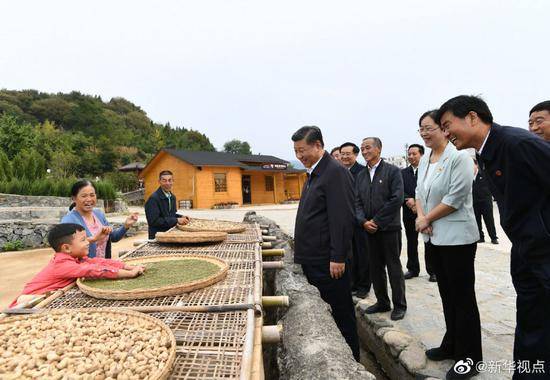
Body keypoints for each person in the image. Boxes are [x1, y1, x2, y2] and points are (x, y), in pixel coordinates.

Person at [437, 95, 550, 379]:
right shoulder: (487, 151)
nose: (446, 133)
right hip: (527, 251)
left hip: (544, 249)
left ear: (473, 117)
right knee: (531, 324)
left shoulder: (517, 143)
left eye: (448, 125)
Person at [415, 109, 482, 379]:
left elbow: (456, 196)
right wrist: (422, 217)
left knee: (463, 298)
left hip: (458, 239)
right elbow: (419, 192)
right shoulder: (425, 160)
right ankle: (451, 343)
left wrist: (427, 218)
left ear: (444, 129)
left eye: (429, 128)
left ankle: (470, 358)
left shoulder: (460, 158)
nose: (424, 133)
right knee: (446, 295)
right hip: (433, 236)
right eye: (421, 129)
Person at [292, 126, 360, 361]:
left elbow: (342, 219)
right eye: (296, 151)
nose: (299, 156)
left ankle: (352, 363)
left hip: (328, 261)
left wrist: (338, 257)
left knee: (341, 313)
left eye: (303, 150)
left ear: (318, 146)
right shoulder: (314, 172)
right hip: (313, 257)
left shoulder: (335, 172)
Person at [10, 223, 144, 308]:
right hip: (28, 303)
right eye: (83, 240)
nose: (88, 242)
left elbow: (98, 262)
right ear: (67, 248)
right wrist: (129, 274)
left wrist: (127, 266)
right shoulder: (62, 264)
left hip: (45, 297)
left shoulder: (76, 258)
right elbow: (94, 270)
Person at [355, 137, 407, 321]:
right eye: (362, 148)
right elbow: (357, 202)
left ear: (378, 149)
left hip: (388, 228)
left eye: (368, 147)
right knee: (375, 268)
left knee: (393, 267)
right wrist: (363, 221)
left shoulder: (393, 172)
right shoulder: (361, 175)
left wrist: (376, 221)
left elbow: (397, 198)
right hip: (368, 229)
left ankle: (400, 305)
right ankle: (382, 301)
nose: (364, 151)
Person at [61, 180, 139, 259]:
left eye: (92, 195)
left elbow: (113, 237)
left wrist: (126, 225)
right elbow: (67, 248)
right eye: (84, 196)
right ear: (74, 198)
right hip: (84, 269)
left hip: (102, 267)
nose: (89, 199)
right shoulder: (68, 220)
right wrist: (94, 239)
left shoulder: (99, 214)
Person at [340, 142, 371, 298]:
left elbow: (364, 198)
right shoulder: (339, 171)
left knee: (362, 254)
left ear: (356, 155)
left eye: (348, 154)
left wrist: (361, 218)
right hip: (344, 221)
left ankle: (364, 286)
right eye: (342, 154)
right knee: (348, 255)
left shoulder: (362, 172)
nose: (345, 157)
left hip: (360, 220)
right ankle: (351, 283)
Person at [402, 143, 435, 281]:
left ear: (422, 154)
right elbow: (398, 190)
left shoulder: (429, 171)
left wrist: (418, 204)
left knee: (429, 241)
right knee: (411, 241)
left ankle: (433, 271)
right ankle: (412, 268)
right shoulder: (402, 173)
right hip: (409, 212)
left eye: (414, 154)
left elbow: (433, 189)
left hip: (427, 213)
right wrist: (407, 200)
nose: (411, 156)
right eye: (409, 154)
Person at [145, 170, 190, 240]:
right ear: (159, 182)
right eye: (164, 180)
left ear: (173, 181)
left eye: (170, 180)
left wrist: (181, 217)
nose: (167, 183)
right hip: (157, 238)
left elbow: (170, 215)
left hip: (169, 235)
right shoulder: (153, 199)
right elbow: (154, 221)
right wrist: (176, 220)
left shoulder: (172, 197)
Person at [472, 159, 498, 244]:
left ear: (476, 165)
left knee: (489, 220)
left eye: (471, 165)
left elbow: (492, 185)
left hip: (485, 201)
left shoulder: (483, 174)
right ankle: (480, 237)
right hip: (474, 202)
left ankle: (493, 237)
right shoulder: (468, 176)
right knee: (477, 220)